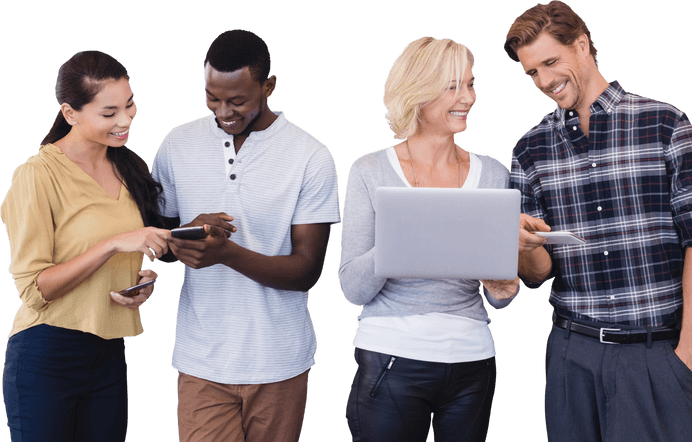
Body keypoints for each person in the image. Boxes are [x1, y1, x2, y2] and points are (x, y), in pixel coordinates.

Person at [504, 1, 692, 440]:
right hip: (571, 356)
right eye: (532, 73)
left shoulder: (666, 124)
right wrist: (525, 248)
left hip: (656, 353)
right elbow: (537, 274)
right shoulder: (529, 150)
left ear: (581, 45)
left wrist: (691, 348)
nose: (544, 81)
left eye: (550, 62)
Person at [150, 29, 340, 442]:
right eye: (212, 97)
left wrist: (226, 254)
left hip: (279, 363)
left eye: (237, 100)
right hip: (202, 360)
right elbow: (158, 242)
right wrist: (184, 235)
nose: (223, 111)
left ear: (269, 86)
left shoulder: (310, 156)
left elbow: (306, 270)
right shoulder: (176, 144)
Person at [338, 36, 520, 442]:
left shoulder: (492, 173)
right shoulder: (369, 171)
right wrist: (408, 237)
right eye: (453, 86)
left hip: (474, 361)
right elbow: (353, 287)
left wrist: (504, 289)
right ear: (418, 93)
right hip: (392, 359)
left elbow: (498, 295)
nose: (468, 98)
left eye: (470, 84)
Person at [1, 49, 169, 441]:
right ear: (70, 113)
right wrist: (113, 244)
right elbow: (34, 289)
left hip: (108, 356)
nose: (125, 119)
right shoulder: (37, 175)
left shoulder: (129, 167)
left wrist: (137, 280)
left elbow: (121, 251)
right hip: (46, 355)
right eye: (109, 113)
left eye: (129, 105)